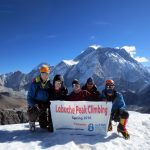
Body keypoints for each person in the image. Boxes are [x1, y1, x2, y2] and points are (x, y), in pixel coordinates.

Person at [27, 64, 53, 132]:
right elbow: (30, 97)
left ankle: (49, 122)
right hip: (36, 103)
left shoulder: (49, 84)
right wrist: (33, 105)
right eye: (43, 73)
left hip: (44, 104)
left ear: (48, 74)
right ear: (40, 73)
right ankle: (31, 123)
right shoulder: (35, 83)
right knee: (32, 111)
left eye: (46, 73)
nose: (45, 75)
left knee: (43, 126)